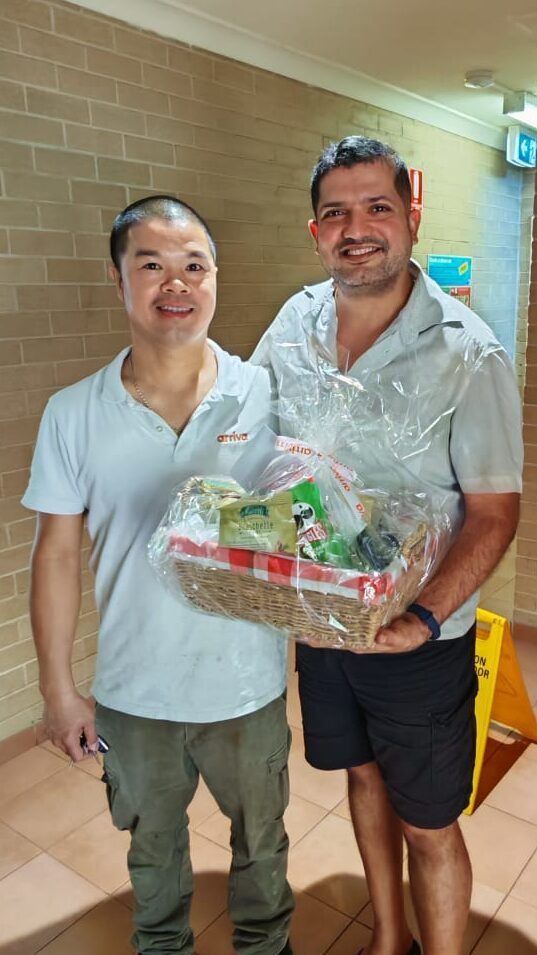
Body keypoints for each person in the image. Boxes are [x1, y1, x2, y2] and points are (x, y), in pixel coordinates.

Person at [252, 137, 523, 955]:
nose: (355, 227)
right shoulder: (293, 324)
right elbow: (251, 442)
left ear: (410, 214)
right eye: (335, 212)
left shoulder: (467, 353)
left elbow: (493, 510)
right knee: (361, 777)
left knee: (430, 821)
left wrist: (424, 613)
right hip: (324, 625)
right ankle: (388, 937)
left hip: (418, 639)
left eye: (375, 206)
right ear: (314, 231)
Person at [23, 195, 294, 955]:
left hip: (248, 686)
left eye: (193, 266)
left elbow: (310, 523)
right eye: (152, 265)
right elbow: (56, 553)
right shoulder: (72, 412)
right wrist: (58, 690)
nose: (175, 283)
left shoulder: (264, 394)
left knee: (263, 849)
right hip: (132, 696)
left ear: (215, 279)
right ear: (119, 281)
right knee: (152, 855)